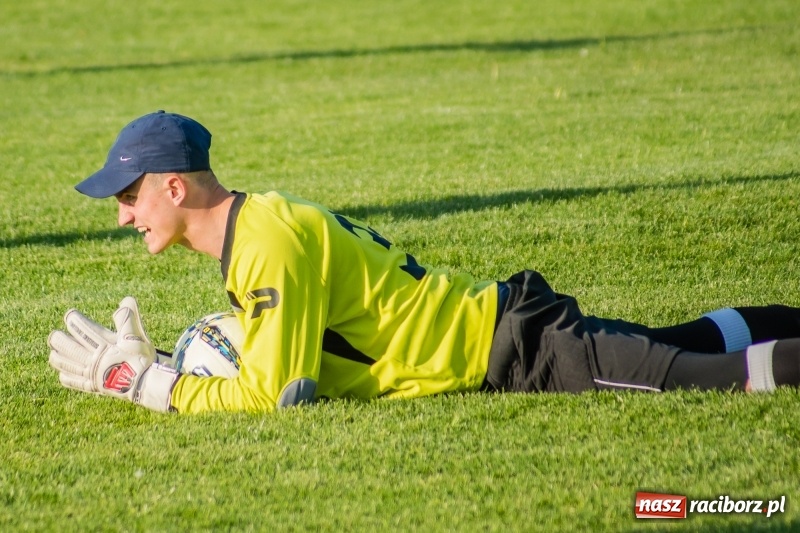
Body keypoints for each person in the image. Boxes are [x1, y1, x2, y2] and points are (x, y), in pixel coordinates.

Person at [48, 110, 800, 413]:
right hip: (504, 323)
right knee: (694, 339)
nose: (121, 214)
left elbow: (277, 392)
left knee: (718, 376)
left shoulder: (265, 242)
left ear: (174, 186)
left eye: (128, 195)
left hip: (514, 350)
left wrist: (150, 384)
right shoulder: (260, 225)